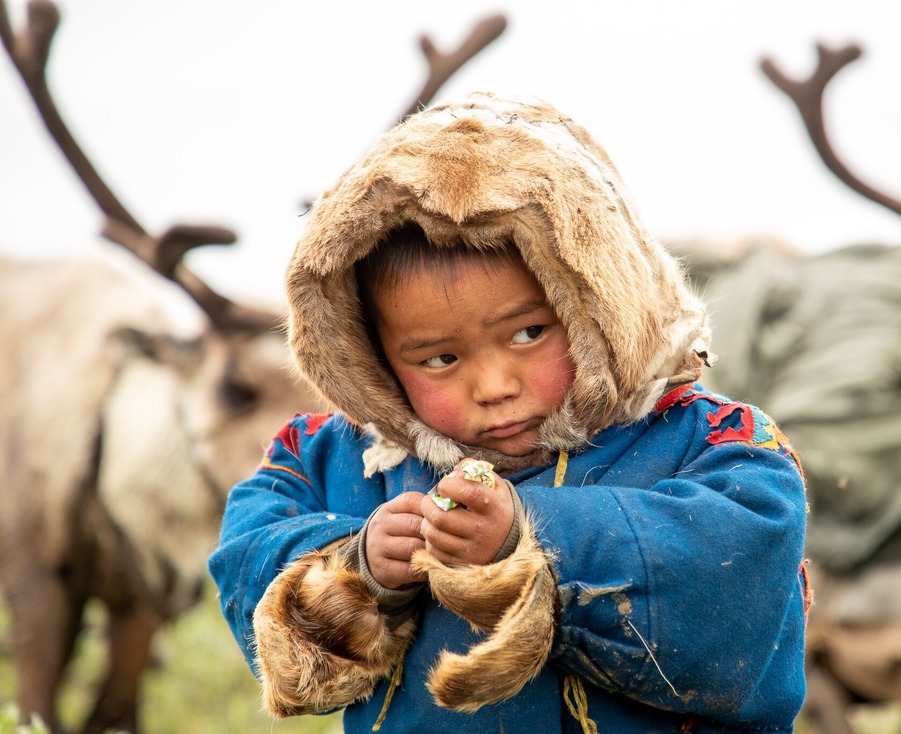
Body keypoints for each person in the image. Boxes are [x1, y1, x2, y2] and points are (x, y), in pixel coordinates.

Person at [209, 91, 810, 734]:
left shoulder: (709, 443)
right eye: (439, 358)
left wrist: (530, 542)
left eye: (528, 334)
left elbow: (743, 586)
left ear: (598, 305)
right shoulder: (344, 457)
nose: (493, 386)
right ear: (373, 359)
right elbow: (250, 550)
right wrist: (354, 569)